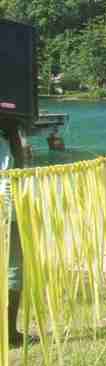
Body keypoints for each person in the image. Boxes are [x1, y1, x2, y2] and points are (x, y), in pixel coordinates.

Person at [1, 120, 27, 346]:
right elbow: (18, 166)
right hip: (7, 209)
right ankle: (9, 334)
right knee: (14, 268)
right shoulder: (8, 138)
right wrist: (14, 129)